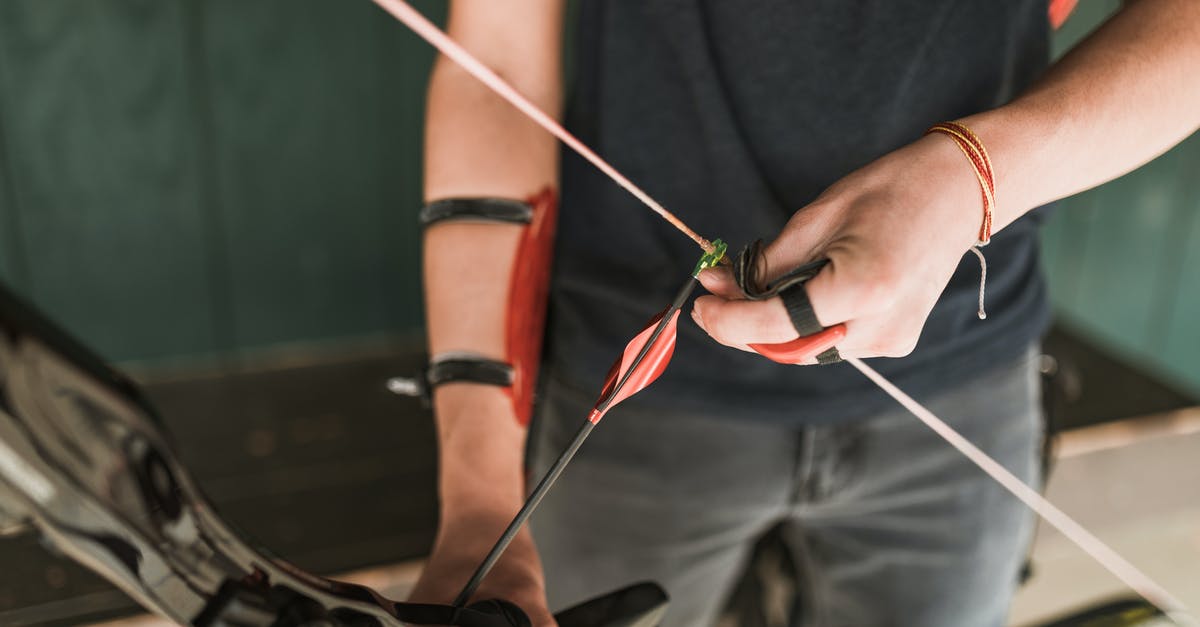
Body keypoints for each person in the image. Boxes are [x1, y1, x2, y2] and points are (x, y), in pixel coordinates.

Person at [407, 2, 1200, 626]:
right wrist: (480, 504)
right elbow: (497, 62)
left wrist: (973, 179)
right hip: (636, 401)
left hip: (965, 380)